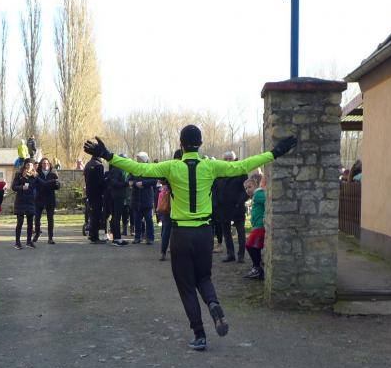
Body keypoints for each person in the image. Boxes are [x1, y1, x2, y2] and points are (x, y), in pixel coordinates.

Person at [84, 126, 296, 351]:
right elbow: (243, 165)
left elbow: (138, 168)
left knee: (186, 285)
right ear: (201, 143)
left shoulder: (172, 167)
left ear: (181, 144)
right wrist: (275, 152)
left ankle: (199, 334)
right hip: (204, 232)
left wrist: (107, 155)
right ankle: (213, 304)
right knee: (204, 277)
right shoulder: (211, 166)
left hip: (181, 234)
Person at [214, 151, 248, 263]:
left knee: (241, 232)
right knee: (227, 233)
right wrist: (216, 205)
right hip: (223, 208)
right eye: (226, 159)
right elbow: (215, 190)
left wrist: (239, 201)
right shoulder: (219, 173)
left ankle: (241, 255)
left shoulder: (241, 171)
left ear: (235, 159)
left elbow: (247, 190)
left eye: (230, 158)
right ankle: (230, 254)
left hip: (237, 207)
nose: (228, 161)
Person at [129, 152, 157, 244]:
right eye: (137, 159)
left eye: (139, 159)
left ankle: (150, 238)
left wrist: (143, 183)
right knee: (137, 219)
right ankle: (137, 237)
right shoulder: (134, 169)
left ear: (144, 160)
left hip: (147, 198)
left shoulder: (150, 169)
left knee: (148, 219)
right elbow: (129, 180)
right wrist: (134, 183)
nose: (138, 161)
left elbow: (154, 181)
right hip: (136, 198)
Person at [243, 175, 267, 280]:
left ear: (255, 186)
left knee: (250, 245)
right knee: (253, 246)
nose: (247, 190)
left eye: (249, 187)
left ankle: (257, 269)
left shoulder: (257, 194)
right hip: (257, 225)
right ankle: (257, 266)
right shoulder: (255, 196)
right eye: (246, 188)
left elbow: (267, 200)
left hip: (260, 226)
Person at [12, 159, 38, 249]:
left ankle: (29, 242)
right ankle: (17, 242)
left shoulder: (35, 176)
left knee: (30, 224)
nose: (29, 166)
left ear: (33, 166)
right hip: (21, 201)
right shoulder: (19, 175)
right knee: (20, 223)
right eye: (27, 165)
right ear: (25, 165)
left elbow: (41, 185)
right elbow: (13, 187)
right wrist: (21, 187)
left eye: (31, 165)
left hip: (30, 202)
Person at [33, 157, 60, 244]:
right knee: (37, 218)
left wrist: (56, 184)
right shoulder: (37, 174)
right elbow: (35, 185)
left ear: (49, 164)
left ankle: (50, 238)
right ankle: (37, 233)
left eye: (47, 163)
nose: (46, 165)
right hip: (39, 199)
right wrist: (49, 183)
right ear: (41, 165)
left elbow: (57, 186)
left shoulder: (53, 174)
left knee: (50, 219)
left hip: (50, 199)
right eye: (44, 163)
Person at [105, 157, 130, 246]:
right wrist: (127, 184)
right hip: (117, 197)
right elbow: (114, 183)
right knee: (116, 217)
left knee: (116, 217)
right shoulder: (117, 170)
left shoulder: (115, 170)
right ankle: (117, 239)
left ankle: (117, 238)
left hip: (115, 196)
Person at [83, 153, 105, 243]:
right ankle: (95, 237)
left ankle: (92, 235)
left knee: (92, 214)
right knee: (96, 215)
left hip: (89, 192)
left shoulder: (88, 164)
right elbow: (101, 181)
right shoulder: (99, 165)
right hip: (97, 193)